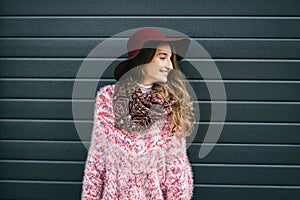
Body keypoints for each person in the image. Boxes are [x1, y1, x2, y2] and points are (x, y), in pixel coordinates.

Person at [81, 27, 195, 199]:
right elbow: (97, 160)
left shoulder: (170, 106)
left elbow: (176, 169)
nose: (170, 66)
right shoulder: (107, 100)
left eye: (170, 59)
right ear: (143, 60)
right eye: (162, 57)